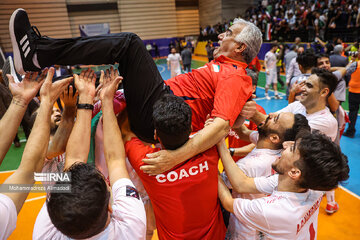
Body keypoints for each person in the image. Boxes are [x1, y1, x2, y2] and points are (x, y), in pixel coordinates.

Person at [10, 9, 262, 175]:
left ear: (240, 47)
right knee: (103, 78)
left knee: (130, 44)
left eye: (228, 34)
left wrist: (174, 158)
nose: (220, 35)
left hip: (159, 113)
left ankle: (37, 54)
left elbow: (220, 126)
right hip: (160, 102)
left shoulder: (236, 76)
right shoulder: (227, 68)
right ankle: (36, 78)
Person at [33, 69, 146, 239]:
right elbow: (114, 160)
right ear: (110, 206)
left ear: (55, 219)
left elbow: (74, 160)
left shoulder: (45, 235)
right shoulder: (132, 226)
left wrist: (84, 101)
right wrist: (104, 102)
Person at [121, 94, 226, 239]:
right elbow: (219, 129)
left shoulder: (147, 163)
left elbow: (126, 133)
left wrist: (129, 97)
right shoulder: (210, 150)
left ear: (156, 134)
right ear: (190, 128)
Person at [218, 131, 349, 239]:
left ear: (294, 172)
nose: (285, 144)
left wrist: (212, 164)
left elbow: (228, 203)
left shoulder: (272, 210)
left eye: (292, 148)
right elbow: (243, 184)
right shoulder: (311, 186)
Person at [250, 68, 340, 214]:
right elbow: (272, 119)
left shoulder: (326, 121)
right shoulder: (298, 106)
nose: (302, 88)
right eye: (304, 84)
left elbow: (278, 131)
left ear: (324, 92)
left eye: (309, 86)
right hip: (286, 175)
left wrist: (247, 108)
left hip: (300, 185)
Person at [0, 68, 72, 239]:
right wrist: (69, 110)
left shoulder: (67, 132)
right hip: (58, 200)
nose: (55, 112)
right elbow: (58, 146)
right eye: (49, 113)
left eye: (56, 111)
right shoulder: (43, 147)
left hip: (74, 191)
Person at [223, 112, 310, 239]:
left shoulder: (248, 165)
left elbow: (224, 187)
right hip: (263, 228)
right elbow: (244, 132)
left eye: (276, 119)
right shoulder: (284, 153)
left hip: (244, 231)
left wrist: (217, 145)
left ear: (274, 138)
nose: (270, 115)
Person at [343, 55, 360, 138]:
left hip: (354, 92)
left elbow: (345, 71)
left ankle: (350, 131)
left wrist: (351, 61)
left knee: (353, 112)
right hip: (354, 91)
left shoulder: (356, 64)